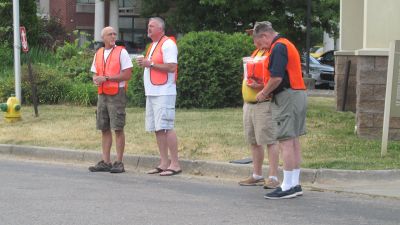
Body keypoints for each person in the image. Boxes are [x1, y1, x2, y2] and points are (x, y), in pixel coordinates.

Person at [253, 21, 307, 199]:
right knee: (293, 140)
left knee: (285, 141)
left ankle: (287, 186)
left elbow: (276, 78)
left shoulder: (278, 47)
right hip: (297, 94)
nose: (263, 48)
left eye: (261, 44)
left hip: (287, 97)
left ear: (264, 36)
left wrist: (263, 92)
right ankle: (294, 183)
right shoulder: (286, 44)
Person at [137, 17, 181, 176]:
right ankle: (164, 162)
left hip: (164, 92)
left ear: (161, 29)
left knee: (167, 127)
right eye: (148, 26)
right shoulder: (152, 45)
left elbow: (172, 67)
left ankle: (175, 164)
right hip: (152, 92)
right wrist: (145, 64)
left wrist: (151, 64)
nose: (148, 28)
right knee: (157, 128)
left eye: (151, 26)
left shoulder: (168, 44)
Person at [88, 26, 133, 173]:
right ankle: (106, 162)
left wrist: (107, 78)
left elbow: (127, 74)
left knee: (118, 128)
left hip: (116, 94)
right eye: (110, 34)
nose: (113, 36)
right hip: (102, 94)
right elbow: (95, 73)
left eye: (114, 34)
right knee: (104, 128)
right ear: (103, 38)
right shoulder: (99, 53)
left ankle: (119, 162)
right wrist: (96, 79)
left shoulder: (122, 52)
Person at [238, 37, 280, 189]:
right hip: (249, 102)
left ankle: (273, 176)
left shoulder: (272, 51)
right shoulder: (257, 52)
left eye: (255, 37)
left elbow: (273, 78)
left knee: (270, 139)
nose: (253, 40)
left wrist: (262, 87)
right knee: (253, 140)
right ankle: (257, 174)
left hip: (263, 102)